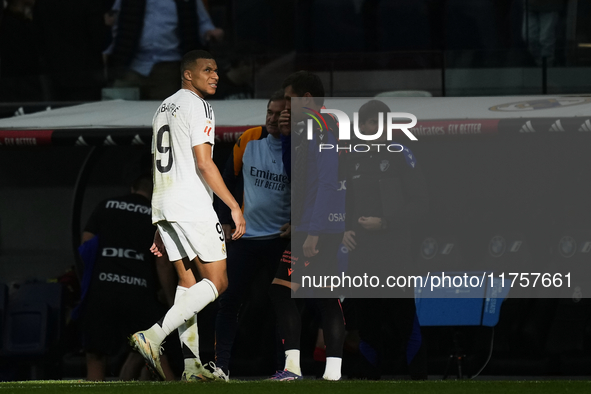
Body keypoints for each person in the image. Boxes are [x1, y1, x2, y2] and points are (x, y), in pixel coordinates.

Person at [130, 49, 245, 382]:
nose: (216, 75)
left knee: (188, 283)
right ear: (188, 75)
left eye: (217, 70)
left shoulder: (163, 107)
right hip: (191, 204)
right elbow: (203, 162)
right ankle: (153, 335)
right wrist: (234, 205)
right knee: (219, 281)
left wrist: (160, 220)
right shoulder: (199, 106)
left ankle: (192, 366)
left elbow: (158, 164)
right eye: (207, 69)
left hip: (165, 202)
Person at [341, 99, 429, 380]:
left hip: (395, 248)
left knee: (403, 312)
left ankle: (417, 373)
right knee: (367, 315)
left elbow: (420, 203)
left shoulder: (401, 154)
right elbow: (341, 201)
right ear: (362, 126)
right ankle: (369, 374)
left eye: (382, 123)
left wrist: (387, 222)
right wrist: (344, 229)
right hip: (362, 250)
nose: (376, 129)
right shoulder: (350, 157)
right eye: (370, 123)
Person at [268, 71, 346, 381]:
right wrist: (287, 137)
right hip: (317, 223)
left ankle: (292, 368)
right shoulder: (319, 125)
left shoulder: (322, 126)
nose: (286, 106)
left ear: (307, 99)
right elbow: (300, 176)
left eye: (289, 99)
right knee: (326, 297)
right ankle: (333, 373)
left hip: (319, 227)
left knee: (281, 292)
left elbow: (328, 182)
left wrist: (312, 230)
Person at [213, 90, 289, 379]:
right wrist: (226, 220)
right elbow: (225, 180)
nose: (272, 118)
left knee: (283, 305)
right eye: (269, 112)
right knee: (229, 300)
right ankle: (221, 367)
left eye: (279, 113)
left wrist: (297, 225)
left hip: (280, 240)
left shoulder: (297, 146)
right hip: (245, 239)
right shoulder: (249, 138)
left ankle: (286, 368)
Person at [76, 172, 176, 381]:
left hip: (102, 288)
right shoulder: (156, 214)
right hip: (138, 291)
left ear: (132, 188)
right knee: (153, 352)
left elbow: (86, 244)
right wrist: (170, 300)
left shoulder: (107, 205)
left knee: (96, 356)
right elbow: (162, 262)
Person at [106, 0, 224, 100]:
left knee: (166, 114)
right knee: (119, 108)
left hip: (168, 67)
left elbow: (203, 22)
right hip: (132, 64)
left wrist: (210, 32)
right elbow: (116, 21)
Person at [523, 0, 565, 67]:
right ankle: (540, 64)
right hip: (530, 7)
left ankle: (546, 66)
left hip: (550, 6)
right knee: (529, 37)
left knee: (546, 39)